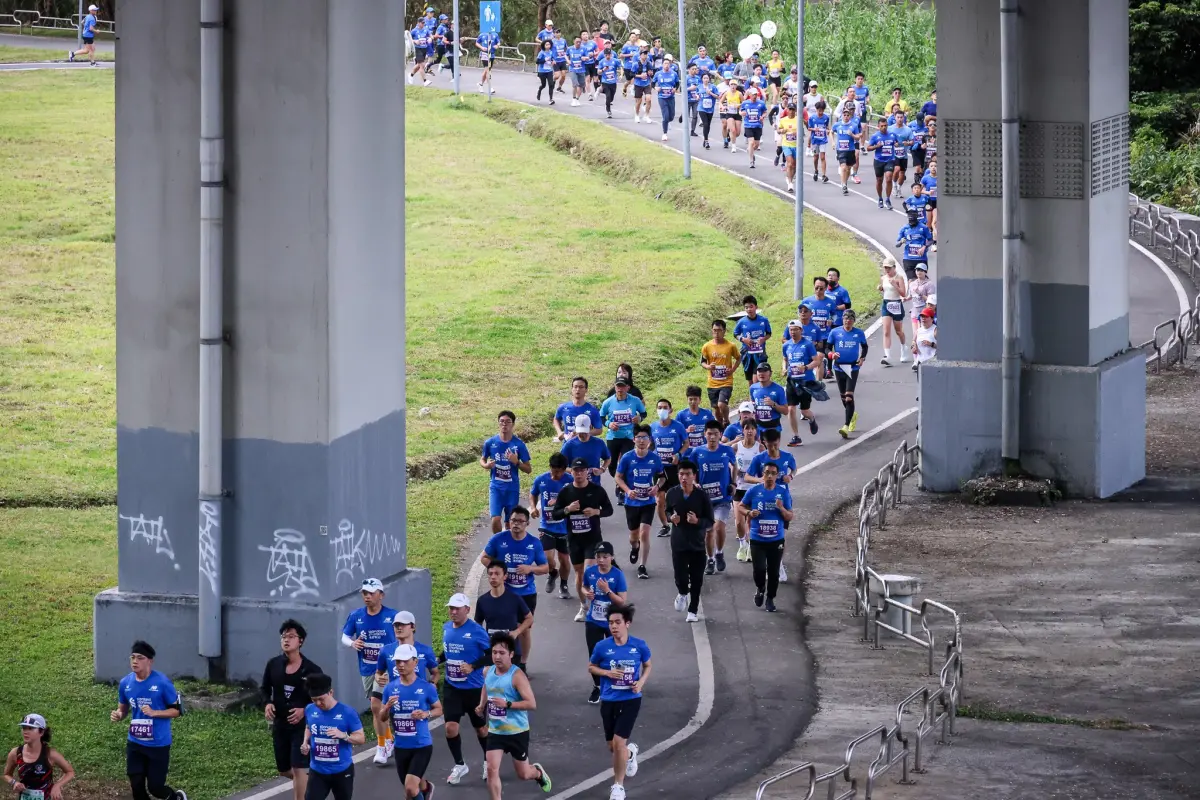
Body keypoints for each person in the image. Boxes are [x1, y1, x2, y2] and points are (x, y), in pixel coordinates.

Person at [477, 635, 552, 798]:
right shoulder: (488, 671)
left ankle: (537, 773)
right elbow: (487, 686)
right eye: (494, 652)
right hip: (496, 731)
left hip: (517, 731)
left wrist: (508, 705)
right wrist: (482, 705)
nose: (497, 656)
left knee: (524, 774)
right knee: (491, 769)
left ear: (511, 654)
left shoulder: (517, 676)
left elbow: (532, 704)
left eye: (502, 653)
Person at [588, 604, 650, 800]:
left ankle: (618, 786)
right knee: (613, 747)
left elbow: (647, 665)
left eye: (617, 622)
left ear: (627, 624)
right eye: (610, 623)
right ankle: (630, 755)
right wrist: (607, 672)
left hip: (631, 699)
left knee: (618, 743)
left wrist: (640, 682)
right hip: (609, 699)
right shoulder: (602, 647)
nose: (613, 626)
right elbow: (591, 667)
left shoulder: (639, 645)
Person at [110, 641, 186, 800]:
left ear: (150, 661)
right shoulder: (126, 683)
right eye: (132, 657)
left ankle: (177, 798)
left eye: (140, 657)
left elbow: (177, 711)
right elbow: (123, 709)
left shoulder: (162, 683)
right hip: (135, 742)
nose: (135, 661)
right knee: (136, 784)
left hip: (158, 743)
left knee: (156, 787)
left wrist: (154, 712)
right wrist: (118, 715)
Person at [262, 620, 323, 798]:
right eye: (283, 637)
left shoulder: (312, 670)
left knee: (298, 768)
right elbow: (264, 688)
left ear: (301, 641)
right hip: (280, 724)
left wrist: (304, 709)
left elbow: (322, 699)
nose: (286, 640)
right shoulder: (273, 664)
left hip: (302, 727)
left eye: (291, 636)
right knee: (284, 770)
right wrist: (268, 703)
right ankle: (314, 781)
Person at [341, 578, 398, 765]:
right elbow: (345, 636)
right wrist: (353, 643)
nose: (367, 596)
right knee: (379, 708)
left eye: (371, 593)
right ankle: (389, 739)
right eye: (364, 593)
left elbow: (403, 636)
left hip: (387, 669)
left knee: (375, 706)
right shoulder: (356, 616)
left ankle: (381, 747)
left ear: (381, 595)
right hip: (367, 667)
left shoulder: (392, 616)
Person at [480, 507, 547, 665]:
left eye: (520, 521)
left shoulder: (534, 543)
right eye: (513, 520)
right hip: (504, 593)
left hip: (526, 593)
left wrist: (530, 569)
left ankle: (522, 662)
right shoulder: (499, 539)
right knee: (502, 628)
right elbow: (484, 558)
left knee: (524, 629)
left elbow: (545, 568)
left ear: (527, 523)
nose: (516, 524)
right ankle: (499, 660)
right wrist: (498, 571)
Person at [551, 457, 616, 614]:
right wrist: (568, 509)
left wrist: (596, 512)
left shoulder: (596, 490)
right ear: (571, 472)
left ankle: (597, 604)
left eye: (582, 471)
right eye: (576, 471)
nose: (579, 474)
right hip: (574, 540)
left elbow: (609, 509)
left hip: (592, 539)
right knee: (579, 573)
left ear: (587, 472)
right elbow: (555, 514)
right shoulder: (566, 492)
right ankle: (583, 606)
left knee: (588, 571)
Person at [440, 593, 493, 785]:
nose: (453, 612)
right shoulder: (446, 628)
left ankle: (488, 761)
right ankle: (460, 764)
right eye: (451, 608)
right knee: (450, 728)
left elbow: (491, 656)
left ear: (467, 610)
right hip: (452, 686)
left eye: (457, 608)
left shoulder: (477, 631)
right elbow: (447, 652)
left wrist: (473, 666)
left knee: (481, 729)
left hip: (473, 688)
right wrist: (436, 662)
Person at [378, 645, 442, 800]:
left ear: (415, 662)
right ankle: (426, 788)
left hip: (421, 745)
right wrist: (386, 707)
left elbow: (439, 709)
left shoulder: (426, 687)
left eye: (405, 661)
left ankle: (422, 789)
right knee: (410, 790)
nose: (400, 665)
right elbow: (382, 717)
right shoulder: (389, 689)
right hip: (400, 746)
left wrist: (425, 713)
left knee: (410, 788)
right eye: (398, 661)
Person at [300, 673, 365, 800]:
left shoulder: (347, 712)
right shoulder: (309, 709)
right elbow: (309, 727)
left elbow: (361, 738)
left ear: (331, 692)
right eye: (314, 700)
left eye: (321, 699)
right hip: (317, 771)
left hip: (341, 771)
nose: (318, 703)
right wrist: (305, 742)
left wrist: (343, 736)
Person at [685, 420, 737, 574]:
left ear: (720, 435)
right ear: (704, 434)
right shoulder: (697, 452)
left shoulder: (726, 451)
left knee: (719, 527)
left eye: (715, 434)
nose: (712, 437)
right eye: (709, 434)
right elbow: (690, 471)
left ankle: (719, 552)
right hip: (705, 500)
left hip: (722, 499)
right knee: (708, 531)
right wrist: (694, 483)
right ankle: (710, 559)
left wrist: (733, 484)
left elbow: (735, 466)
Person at [739, 462, 793, 613]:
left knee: (774, 571)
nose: (769, 476)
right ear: (762, 474)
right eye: (767, 472)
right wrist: (749, 513)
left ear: (777, 475)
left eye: (773, 473)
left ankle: (770, 598)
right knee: (759, 569)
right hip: (757, 538)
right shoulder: (754, 491)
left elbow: (790, 515)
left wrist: (781, 508)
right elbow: (741, 507)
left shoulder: (782, 493)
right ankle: (760, 588)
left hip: (776, 539)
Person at [666, 460, 714, 623]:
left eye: (688, 474)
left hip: (697, 544)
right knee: (680, 576)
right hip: (678, 542)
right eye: (681, 474)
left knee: (696, 579)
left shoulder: (702, 496)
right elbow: (666, 511)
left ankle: (693, 610)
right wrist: (671, 518)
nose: (684, 477)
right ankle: (682, 592)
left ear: (694, 476)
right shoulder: (672, 493)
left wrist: (697, 522)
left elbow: (710, 521)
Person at [614, 426, 664, 581]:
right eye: (639, 437)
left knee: (644, 533)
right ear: (634, 439)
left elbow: (662, 477)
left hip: (648, 502)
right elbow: (618, 477)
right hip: (632, 502)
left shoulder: (655, 458)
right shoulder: (627, 458)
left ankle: (642, 566)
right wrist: (628, 491)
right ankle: (634, 547)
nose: (642, 441)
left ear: (649, 440)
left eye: (645, 437)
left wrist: (656, 487)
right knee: (634, 536)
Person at [582, 542, 629, 704]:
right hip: (593, 620)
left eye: (605, 557)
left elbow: (622, 602)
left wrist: (607, 590)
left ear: (612, 557)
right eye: (598, 557)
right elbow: (584, 586)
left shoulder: (617, 575)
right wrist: (587, 593)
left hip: (613, 622)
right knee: (594, 654)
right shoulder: (590, 572)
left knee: (616, 653)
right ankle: (598, 687)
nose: (601, 560)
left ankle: (618, 684)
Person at [475, 561, 534, 671]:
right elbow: (477, 625)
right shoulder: (482, 601)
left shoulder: (515, 599)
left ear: (505, 576)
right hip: (492, 652)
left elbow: (529, 618)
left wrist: (516, 632)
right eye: (490, 574)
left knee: (509, 684)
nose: (493, 577)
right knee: (491, 682)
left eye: (497, 574)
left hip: (512, 651)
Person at [374, 612, 440, 709]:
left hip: (419, 701)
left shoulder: (425, 650)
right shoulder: (385, 651)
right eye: (396, 625)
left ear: (413, 627)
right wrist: (378, 678)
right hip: (397, 703)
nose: (399, 628)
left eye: (403, 624)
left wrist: (432, 683)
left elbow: (435, 673)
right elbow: (378, 673)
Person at [481, 410, 533, 534]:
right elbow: (482, 459)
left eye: (508, 422)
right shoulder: (490, 443)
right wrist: (486, 465)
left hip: (512, 489)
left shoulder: (519, 445)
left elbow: (528, 469)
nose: (504, 424)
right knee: (495, 519)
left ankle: (508, 547)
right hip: (496, 488)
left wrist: (516, 462)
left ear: (513, 424)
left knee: (510, 523)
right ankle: (498, 544)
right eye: (502, 421)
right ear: (498, 423)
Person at [531, 452, 573, 599]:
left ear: (564, 469)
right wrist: (533, 507)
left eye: (559, 472)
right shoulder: (541, 480)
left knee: (565, 560)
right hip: (546, 525)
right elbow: (533, 494)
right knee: (547, 558)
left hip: (564, 528)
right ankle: (553, 572)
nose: (555, 475)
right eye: (553, 471)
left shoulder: (570, 480)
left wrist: (559, 501)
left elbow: (577, 499)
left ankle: (564, 584)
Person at [599, 377, 646, 505]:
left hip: (628, 436)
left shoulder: (634, 400)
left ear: (627, 388)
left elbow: (644, 413)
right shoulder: (608, 402)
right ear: (615, 387)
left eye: (622, 386)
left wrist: (639, 418)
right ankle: (618, 482)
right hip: (613, 437)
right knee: (612, 465)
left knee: (626, 461)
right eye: (618, 386)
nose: (620, 389)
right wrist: (609, 424)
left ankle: (622, 490)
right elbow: (602, 417)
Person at [4, 715, 75, 800]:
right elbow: (6, 774)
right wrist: (14, 782)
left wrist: (57, 786)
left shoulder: (50, 754)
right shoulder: (16, 753)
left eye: (30, 728)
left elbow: (70, 772)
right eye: (24, 728)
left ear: (41, 732)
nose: (25, 732)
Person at [827, 309, 869, 438]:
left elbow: (865, 346)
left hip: (853, 368)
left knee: (849, 396)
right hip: (839, 367)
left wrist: (862, 358)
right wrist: (832, 354)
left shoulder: (858, 333)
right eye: (846, 318)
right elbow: (827, 347)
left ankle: (845, 426)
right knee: (843, 398)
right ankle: (852, 415)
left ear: (854, 320)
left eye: (851, 319)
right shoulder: (835, 332)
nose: (848, 321)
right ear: (842, 319)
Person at [650, 399, 689, 538]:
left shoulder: (678, 426)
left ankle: (681, 522)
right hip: (659, 469)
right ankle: (665, 526)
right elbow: (650, 445)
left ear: (671, 410)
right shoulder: (652, 427)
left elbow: (686, 442)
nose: (662, 410)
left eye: (665, 407)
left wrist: (679, 454)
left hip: (675, 468)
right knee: (659, 499)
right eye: (659, 407)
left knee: (678, 497)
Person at [782, 320, 823, 446]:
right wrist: (784, 368)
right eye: (791, 330)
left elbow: (816, 361)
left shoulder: (808, 344)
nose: (793, 332)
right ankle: (796, 436)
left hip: (806, 381)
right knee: (791, 409)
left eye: (795, 329)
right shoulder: (786, 345)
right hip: (791, 381)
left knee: (805, 411)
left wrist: (805, 367)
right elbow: (785, 359)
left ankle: (811, 419)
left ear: (801, 330)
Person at [731, 419, 762, 563]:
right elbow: (727, 461)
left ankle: (750, 547)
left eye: (752, 428)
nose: (749, 431)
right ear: (743, 430)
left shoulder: (760, 448)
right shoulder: (736, 447)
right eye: (746, 428)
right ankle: (742, 544)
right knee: (739, 522)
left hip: (754, 490)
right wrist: (733, 471)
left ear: (756, 431)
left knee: (751, 521)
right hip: (739, 489)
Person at [700, 319, 739, 427]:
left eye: (719, 330)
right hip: (712, 383)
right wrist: (708, 366)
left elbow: (738, 358)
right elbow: (702, 362)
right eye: (714, 330)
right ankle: (720, 426)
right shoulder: (706, 346)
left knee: (721, 404)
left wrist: (733, 369)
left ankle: (726, 421)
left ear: (724, 331)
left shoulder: (731, 346)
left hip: (726, 382)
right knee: (716, 407)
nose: (716, 333)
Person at [562, 414, 610, 486]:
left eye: (585, 431)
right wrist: (574, 472)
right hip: (575, 485)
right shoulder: (569, 445)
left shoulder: (599, 443)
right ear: (575, 428)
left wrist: (602, 469)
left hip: (594, 485)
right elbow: (561, 466)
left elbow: (608, 458)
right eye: (580, 432)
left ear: (590, 427)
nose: (582, 434)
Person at [878, 260, 909, 367]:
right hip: (886, 303)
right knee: (886, 331)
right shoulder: (883, 278)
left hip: (896, 304)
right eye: (885, 268)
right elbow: (885, 290)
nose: (887, 270)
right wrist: (881, 288)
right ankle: (887, 356)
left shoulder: (899, 278)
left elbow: (903, 293)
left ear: (894, 268)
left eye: (889, 268)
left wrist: (895, 285)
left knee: (898, 331)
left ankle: (903, 347)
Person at [734, 295, 772, 382]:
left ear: (756, 307)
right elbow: (735, 334)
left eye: (751, 307)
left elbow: (769, 333)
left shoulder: (764, 320)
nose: (749, 309)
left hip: (760, 353)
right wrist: (743, 339)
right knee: (750, 380)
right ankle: (752, 395)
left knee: (757, 379)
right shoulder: (741, 321)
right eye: (746, 307)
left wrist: (763, 339)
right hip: (747, 353)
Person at [554, 377, 602, 442]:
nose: (577, 389)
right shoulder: (563, 407)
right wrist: (559, 432)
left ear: (586, 389)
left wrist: (584, 434)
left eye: (581, 387)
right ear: (572, 389)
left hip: (585, 445)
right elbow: (556, 419)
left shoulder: (592, 410)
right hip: (568, 445)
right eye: (575, 387)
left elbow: (599, 430)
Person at [832, 102, 864, 196]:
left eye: (847, 115)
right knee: (843, 167)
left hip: (850, 149)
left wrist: (852, 135)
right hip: (841, 150)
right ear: (842, 115)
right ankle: (844, 185)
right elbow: (831, 131)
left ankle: (845, 181)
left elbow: (858, 137)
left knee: (849, 168)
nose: (846, 116)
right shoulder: (837, 125)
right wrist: (833, 142)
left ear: (850, 116)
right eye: (844, 115)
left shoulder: (854, 125)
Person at [748, 362, 787, 436]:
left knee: (772, 447)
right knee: (760, 447)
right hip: (758, 427)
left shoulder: (778, 389)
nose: (762, 374)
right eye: (759, 371)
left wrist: (773, 404)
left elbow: (785, 411)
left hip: (773, 426)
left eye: (765, 371)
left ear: (770, 373)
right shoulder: (753, 388)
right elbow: (752, 405)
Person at [867, 116, 898, 209]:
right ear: (878, 126)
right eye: (882, 126)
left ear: (887, 125)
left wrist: (896, 144)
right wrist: (876, 146)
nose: (884, 127)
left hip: (890, 160)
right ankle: (880, 198)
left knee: (888, 178)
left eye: (885, 125)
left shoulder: (892, 135)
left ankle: (888, 199)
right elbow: (868, 148)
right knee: (879, 180)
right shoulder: (875, 136)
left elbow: (897, 143)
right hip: (879, 161)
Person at [896, 210, 934, 282]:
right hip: (908, 259)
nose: (911, 222)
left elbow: (931, 240)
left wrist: (924, 247)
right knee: (911, 281)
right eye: (910, 220)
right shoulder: (904, 228)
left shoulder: (923, 228)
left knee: (921, 281)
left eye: (913, 220)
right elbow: (897, 244)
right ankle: (911, 293)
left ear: (917, 217)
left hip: (921, 258)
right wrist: (901, 242)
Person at [676, 386, 716, 452]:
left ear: (700, 400)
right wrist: (686, 430)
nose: (693, 402)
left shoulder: (707, 413)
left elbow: (715, 429)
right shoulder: (681, 415)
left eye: (695, 399)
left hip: (705, 450)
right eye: (690, 399)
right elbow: (675, 432)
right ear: (687, 400)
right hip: (688, 452)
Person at [739, 87, 768, 168]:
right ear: (750, 95)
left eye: (755, 95)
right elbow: (740, 111)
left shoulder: (761, 103)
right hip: (748, 125)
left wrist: (763, 116)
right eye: (753, 95)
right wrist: (741, 113)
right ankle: (751, 160)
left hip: (758, 125)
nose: (754, 96)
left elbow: (765, 112)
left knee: (756, 145)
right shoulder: (745, 103)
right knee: (751, 143)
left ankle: (750, 151)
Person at [654, 54, 680, 142]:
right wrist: (656, 88)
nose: (666, 65)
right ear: (662, 65)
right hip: (662, 97)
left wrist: (675, 89)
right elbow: (653, 83)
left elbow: (677, 83)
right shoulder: (658, 74)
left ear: (670, 65)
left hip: (671, 97)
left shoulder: (674, 74)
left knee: (671, 116)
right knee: (665, 116)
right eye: (665, 63)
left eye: (668, 64)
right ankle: (664, 133)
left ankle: (666, 122)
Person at [908, 264, 936, 340]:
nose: (919, 272)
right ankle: (915, 349)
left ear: (925, 272)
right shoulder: (912, 284)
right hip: (914, 312)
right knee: (915, 334)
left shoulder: (929, 284)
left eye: (921, 270)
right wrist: (904, 298)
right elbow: (911, 296)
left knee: (923, 335)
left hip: (924, 313)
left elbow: (931, 301)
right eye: (917, 270)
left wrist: (920, 293)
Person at [777, 102, 800, 193]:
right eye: (789, 109)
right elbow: (778, 130)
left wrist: (797, 133)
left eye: (793, 110)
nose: (791, 111)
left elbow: (802, 132)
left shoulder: (798, 120)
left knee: (794, 165)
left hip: (796, 145)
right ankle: (790, 184)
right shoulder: (783, 120)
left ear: (795, 110)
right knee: (789, 163)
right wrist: (782, 130)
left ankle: (789, 176)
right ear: (787, 110)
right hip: (786, 144)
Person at [807, 98, 831, 183]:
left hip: (823, 140)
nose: (820, 112)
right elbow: (809, 128)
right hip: (815, 140)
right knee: (816, 157)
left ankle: (824, 175)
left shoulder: (826, 117)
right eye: (819, 110)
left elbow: (827, 127)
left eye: (822, 111)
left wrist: (828, 131)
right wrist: (814, 129)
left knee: (823, 157)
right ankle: (816, 170)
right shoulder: (812, 118)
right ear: (816, 110)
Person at [696, 72, 719, 149]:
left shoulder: (713, 87)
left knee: (708, 125)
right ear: (702, 79)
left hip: (710, 108)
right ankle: (706, 141)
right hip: (701, 108)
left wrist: (711, 93)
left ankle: (705, 138)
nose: (706, 80)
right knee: (705, 124)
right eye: (704, 78)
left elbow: (717, 97)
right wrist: (697, 97)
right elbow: (697, 94)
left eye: (707, 78)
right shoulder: (699, 87)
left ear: (709, 79)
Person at [912, 307, 938, 372]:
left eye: (926, 316)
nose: (923, 318)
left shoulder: (936, 330)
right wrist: (914, 347)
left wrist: (931, 344)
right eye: (922, 316)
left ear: (932, 319)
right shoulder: (918, 331)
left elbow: (944, 348)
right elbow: (913, 341)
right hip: (920, 362)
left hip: (933, 363)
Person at [599, 46, 621, 117]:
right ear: (604, 55)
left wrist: (620, 74)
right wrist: (603, 70)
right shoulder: (602, 62)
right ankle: (608, 110)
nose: (608, 56)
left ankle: (599, 90)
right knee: (608, 96)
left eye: (609, 54)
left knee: (611, 97)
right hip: (605, 81)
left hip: (613, 82)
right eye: (606, 55)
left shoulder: (615, 61)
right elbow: (598, 72)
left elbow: (620, 68)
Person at [408, 18, 432, 86]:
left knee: (419, 65)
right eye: (422, 23)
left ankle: (411, 75)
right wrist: (415, 41)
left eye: (424, 23)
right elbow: (408, 39)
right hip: (418, 49)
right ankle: (425, 81)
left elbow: (431, 36)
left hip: (424, 48)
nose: (423, 24)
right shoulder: (414, 31)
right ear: (418, 23)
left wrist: (430, 38)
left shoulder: (425, 29)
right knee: (422, 65)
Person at [475, 27, 499, 93]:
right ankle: (490, 88)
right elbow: (477, 43)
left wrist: (497, 46)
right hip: (484, 54)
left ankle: (480, 84)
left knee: (487, 70)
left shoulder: (495, 34)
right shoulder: (482, 34)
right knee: (487, 70)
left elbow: (498, 42)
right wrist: (481, 47)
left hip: (492, 54)